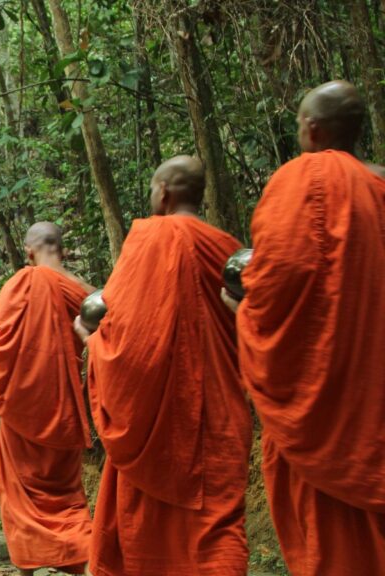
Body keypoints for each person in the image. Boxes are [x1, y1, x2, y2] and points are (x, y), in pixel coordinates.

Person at [225, 80, 385, 575]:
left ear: (312, 129)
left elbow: (274, 288)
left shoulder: (302, 182)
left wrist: (241, 313)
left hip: (321, 401)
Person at [75, 157, 251, 575]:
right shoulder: (227, 247)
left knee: (145, 528)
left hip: (156, 421)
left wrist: (93, 343)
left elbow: (128, 341)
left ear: (164, 192)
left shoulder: (149, 240)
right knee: (219, 526)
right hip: (220, 416)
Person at [0, 224, 94, 575]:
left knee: (20, 496)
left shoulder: (18, 285)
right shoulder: (83, 291)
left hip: (20, 411)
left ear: (28, 251)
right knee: (67, 498)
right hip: (65, 411)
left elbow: (2, 349)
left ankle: (28, 568)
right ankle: (89, 558)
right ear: (64, 250)